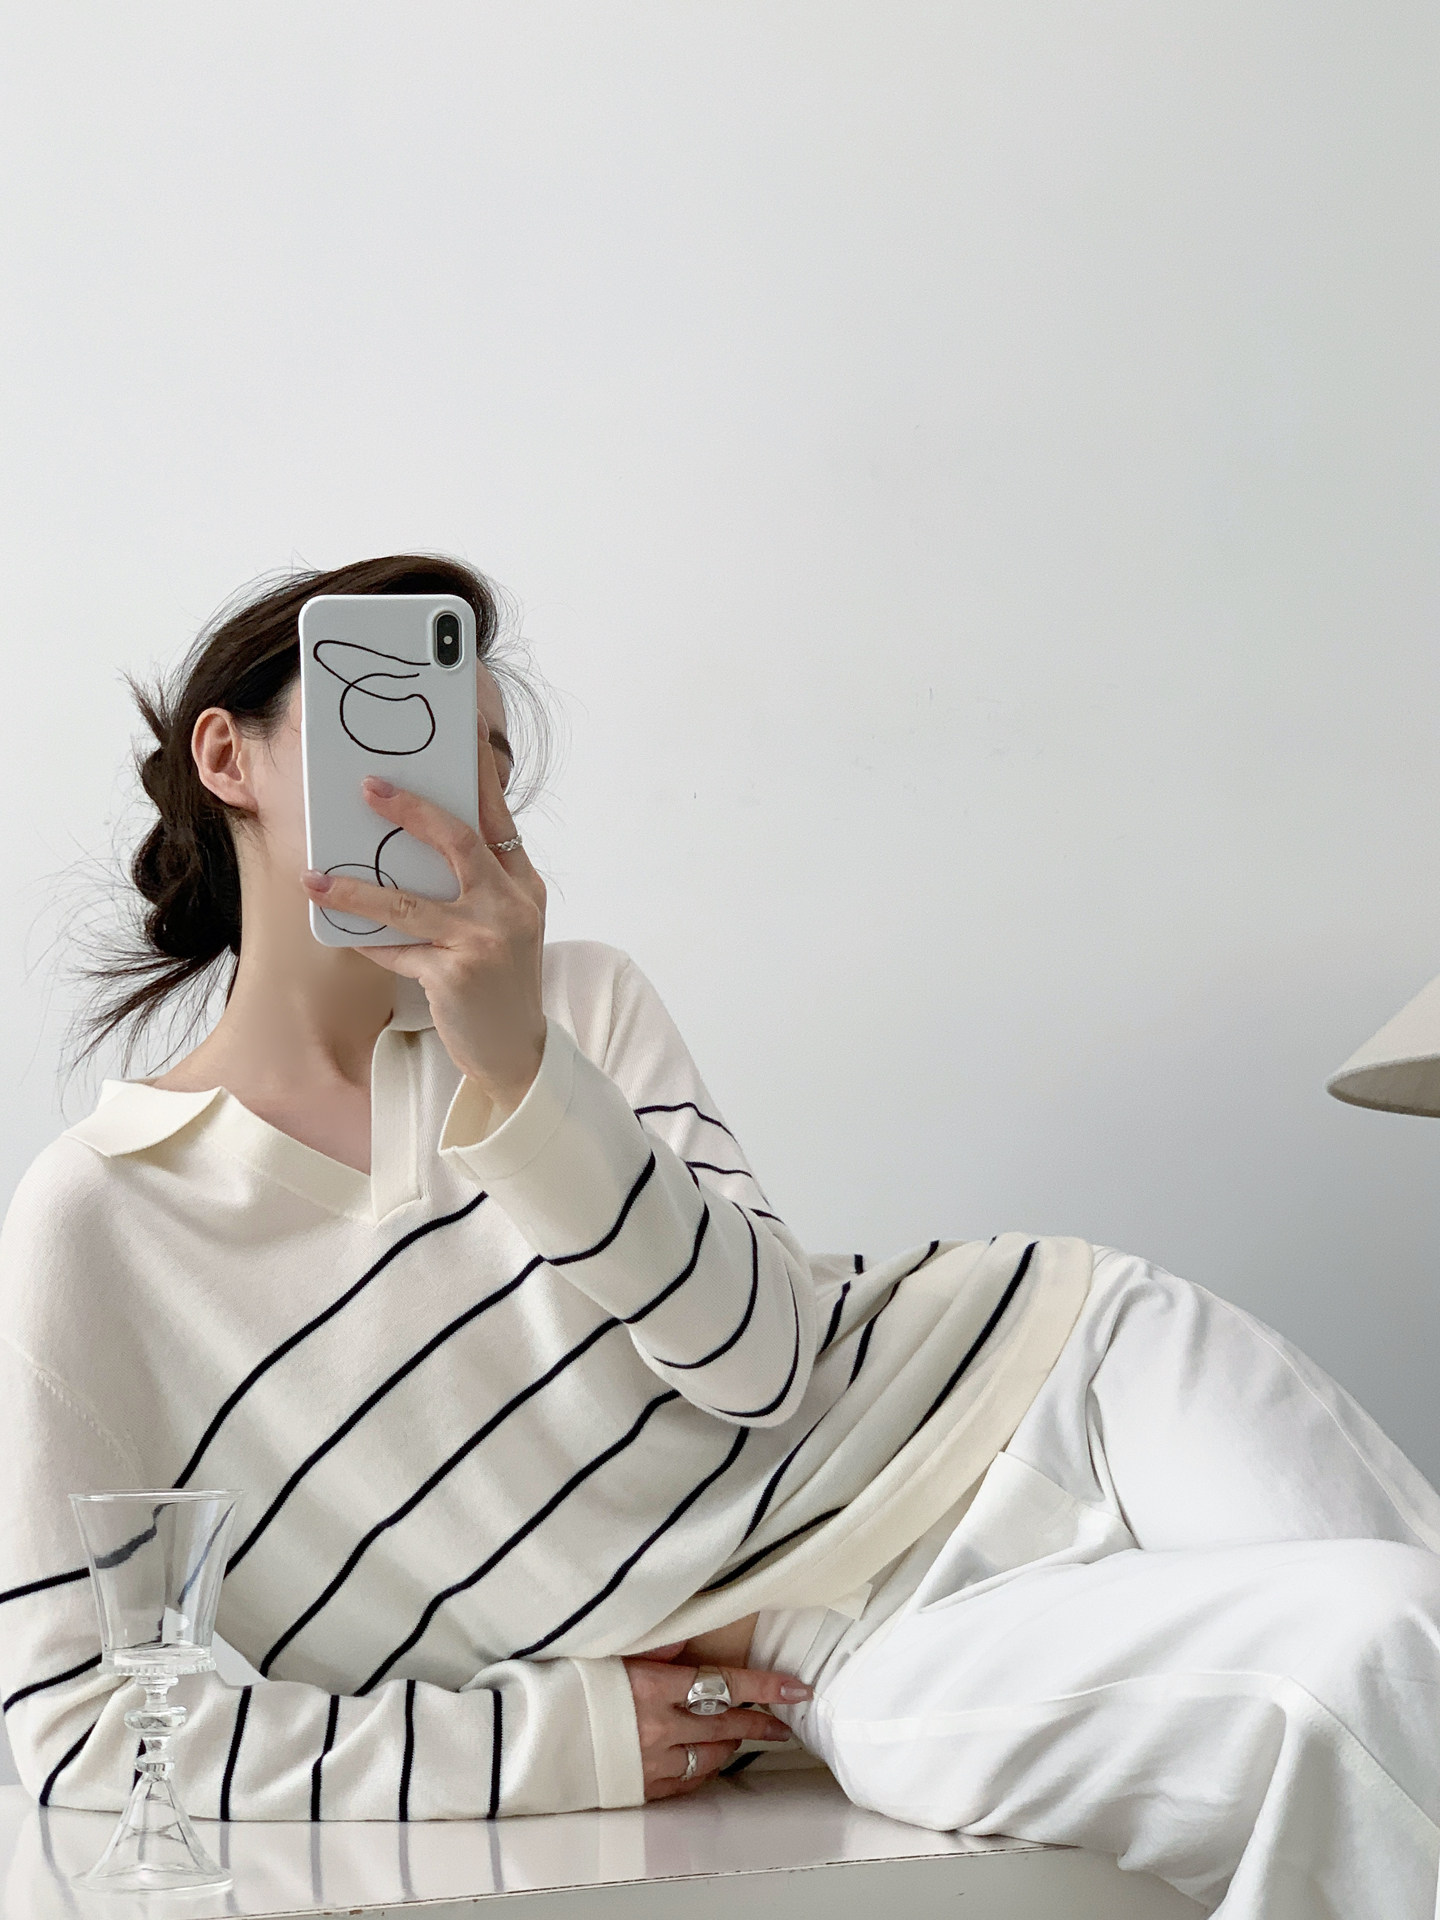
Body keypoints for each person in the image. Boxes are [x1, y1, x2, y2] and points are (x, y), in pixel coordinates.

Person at [3, 554, 1439, 1918]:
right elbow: (76, 1721)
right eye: (399, 717)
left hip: (1071, 1374)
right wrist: (554, 1740)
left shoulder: (576, 1008)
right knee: (1376, 1644)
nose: (456, 785)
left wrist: (520, 1070)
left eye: (486, 755)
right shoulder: (106, 1216)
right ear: (227, 758)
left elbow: (766, 1365)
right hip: (836, 1651)